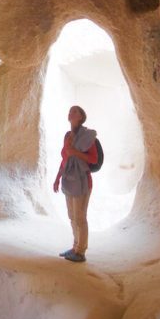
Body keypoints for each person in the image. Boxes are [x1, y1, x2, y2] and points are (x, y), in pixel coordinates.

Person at [53, 105, 98, 263]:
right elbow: (65, 159)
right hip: (69, 179)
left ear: (81, 117)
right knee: (72, 216)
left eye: (75, 111)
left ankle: (81, 251)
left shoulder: (86, 136)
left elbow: (94, 159)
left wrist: (76, 153)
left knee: (80, 217)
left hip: (82, 181)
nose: (71, 112)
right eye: (70, 110)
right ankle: (75, 246)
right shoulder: (67, 136)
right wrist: (57, 177)